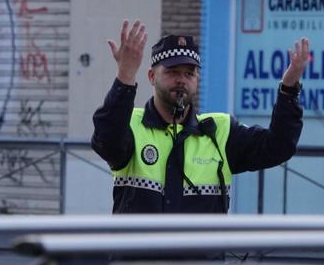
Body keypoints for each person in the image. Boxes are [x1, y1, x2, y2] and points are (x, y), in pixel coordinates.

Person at [92, 19, 308, 213]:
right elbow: (105, 140)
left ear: (197, 79)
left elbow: (279, 147)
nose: (181, 80)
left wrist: (288, 90)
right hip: (139, 258)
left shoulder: (220, 130)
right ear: (151, 76)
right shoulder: (131, 124)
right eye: (172, 72)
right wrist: (126, 75)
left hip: (200, 259)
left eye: (189, 73)